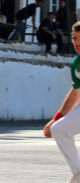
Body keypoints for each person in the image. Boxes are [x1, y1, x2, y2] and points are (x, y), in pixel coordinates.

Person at [43, 21, 80, 183]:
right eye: (75, 38)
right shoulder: (77, 65)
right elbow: (75, 93)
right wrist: (56, 118)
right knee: (59, 129)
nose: (77, 42)